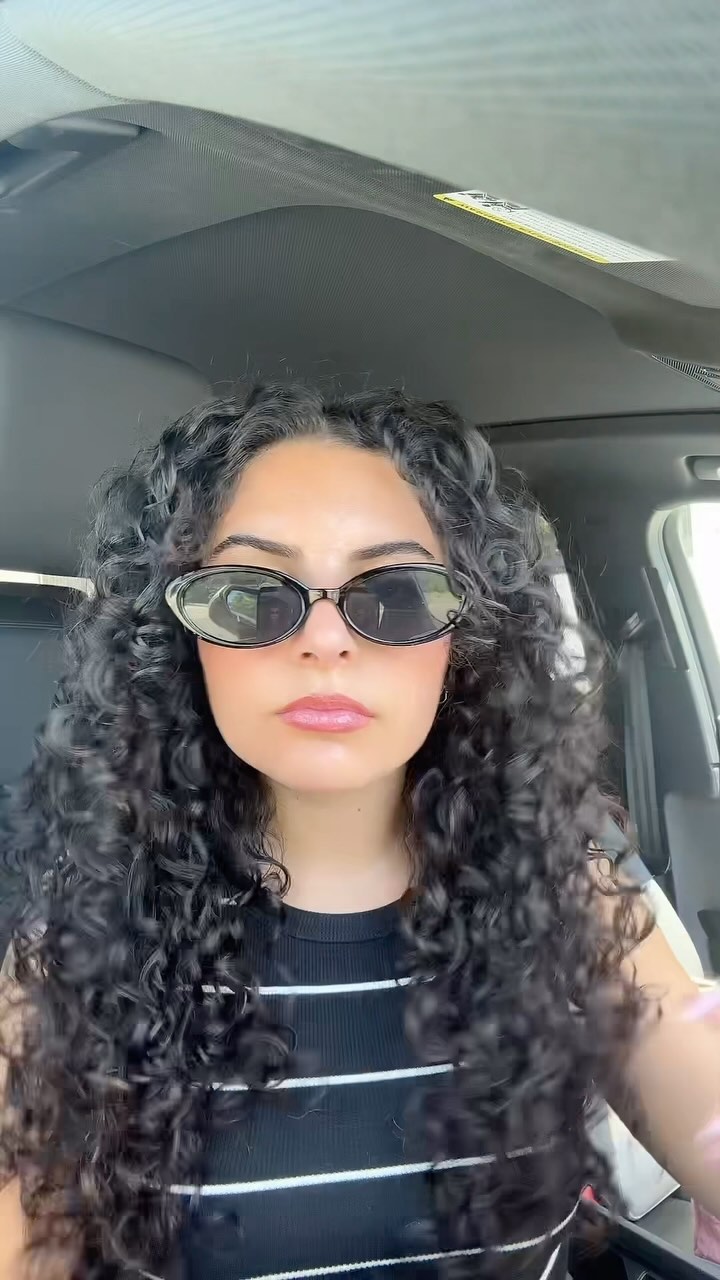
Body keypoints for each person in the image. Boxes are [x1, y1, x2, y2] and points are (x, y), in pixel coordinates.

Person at [0, 385, 717, 1280]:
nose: (326, 640)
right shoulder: (81, 948)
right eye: (250, 595)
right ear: (185, 636)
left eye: (397, 593)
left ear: (465, 637)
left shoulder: (567, 892)